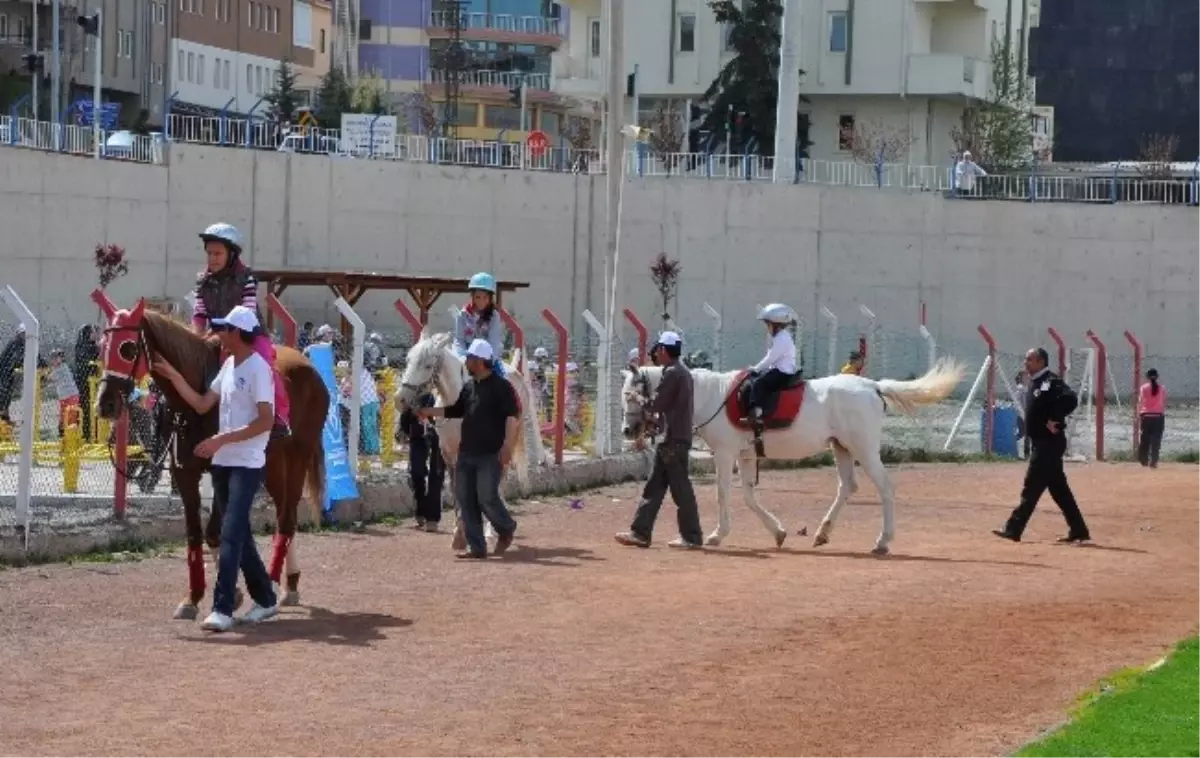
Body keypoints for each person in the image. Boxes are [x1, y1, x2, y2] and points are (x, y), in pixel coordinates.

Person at [153, 305, 280, 632]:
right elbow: (200, 404)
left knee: (229, 534)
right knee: (240, 535)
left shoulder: (258, 370)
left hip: (247, 464)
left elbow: (265, 420)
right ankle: (266, 599)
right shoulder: (227, 366)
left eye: (224, 329)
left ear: (238, 333)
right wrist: (173, 375)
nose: (217, 334)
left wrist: (221, 438)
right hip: (224, 462)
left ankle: (222, 608)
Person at [416, 338, 519, 559]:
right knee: (464, 498)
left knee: (486, 497)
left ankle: (506, 527)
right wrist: (429, 411)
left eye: (470, 360)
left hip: (489, 453)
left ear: (480, 361)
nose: (466, 364)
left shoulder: (502, 387)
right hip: (466, 452)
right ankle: (477, 547)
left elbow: (512, 417)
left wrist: (507, 446)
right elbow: (454, 410)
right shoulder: (469, 387)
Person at [191, 222, 290, 438]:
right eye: (209, 253)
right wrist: (196, 338)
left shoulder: (247, 277)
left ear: (232, 254)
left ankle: (280, 417)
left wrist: (221, 334)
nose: (212, 258)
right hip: (214, 337)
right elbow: (199, 314)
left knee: (267, 367)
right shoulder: (202, 281)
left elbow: (248, 311)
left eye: (218, 253)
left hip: (249, 334)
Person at [615, 331, 704, 550]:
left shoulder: (672, 373)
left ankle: (691, 536)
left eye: (658, 350)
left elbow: (656, 405)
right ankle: (641, 532)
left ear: (663, 350)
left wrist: (637, 398)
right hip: (674, 438)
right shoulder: (682, 373)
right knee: (655, 487)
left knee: (679, 489)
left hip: (672, 439)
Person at [993, 347, 1091, 544]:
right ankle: (1078, 529)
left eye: (1029, 360)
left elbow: (1070, 399)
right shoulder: (1037, 382)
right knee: (1059, 490)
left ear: (1040, 362)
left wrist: (1055, 418)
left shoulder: (1050, 381)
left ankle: (1013, 528)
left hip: (1049, 444)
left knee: (1031, 487)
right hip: (1043, 443)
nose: (1025, 363)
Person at [744, 304, 798, 440]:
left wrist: (756, 369)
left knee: (758, 384)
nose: (766, 327)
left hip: (782, 373)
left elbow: (770, 358)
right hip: (778, 369)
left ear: (776, 324)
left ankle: (757, 414)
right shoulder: (780, 337)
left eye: (767, 324)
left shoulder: (782, 339)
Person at [401, 392, 445, 532]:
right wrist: (406, 430)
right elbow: (405, 415)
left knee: (436, 474)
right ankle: (420, 510)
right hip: (418, 436)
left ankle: (432, 518)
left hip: (439, 434)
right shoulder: (413, 389)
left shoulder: (441, 390)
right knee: (417, 472)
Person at [453, 272, 506, 378]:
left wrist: (487, 360)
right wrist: (463, 357)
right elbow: (459, 339)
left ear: (490, 298)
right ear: (472, 296)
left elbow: (494, 341)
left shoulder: (494, 316)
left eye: (485, 297)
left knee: (504, 379)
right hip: (466, 357)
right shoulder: (462, 314)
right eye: (478, 297)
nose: (481, 301)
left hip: (487, 358)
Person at [72, 325, 101, 441]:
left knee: (96, 408)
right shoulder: (81, 347)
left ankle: (96, 433)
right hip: (84, 384)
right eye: (93, 332)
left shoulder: (95, 346)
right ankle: (86, 434)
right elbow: (85, 362)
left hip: (94, 383)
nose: (95, 334)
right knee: (85, 408)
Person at [1137, 368, 1166, 468]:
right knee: (1156, 440)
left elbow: (1140, 402)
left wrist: (1138, 414)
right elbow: (1163, 402)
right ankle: (1154, 460)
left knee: (1145, 439)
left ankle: (1143, 460)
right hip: (1158, 416)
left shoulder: (1144, 387)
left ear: (1147, 377)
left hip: (1146, 416)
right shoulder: (1162, 388)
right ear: (1157, 377)